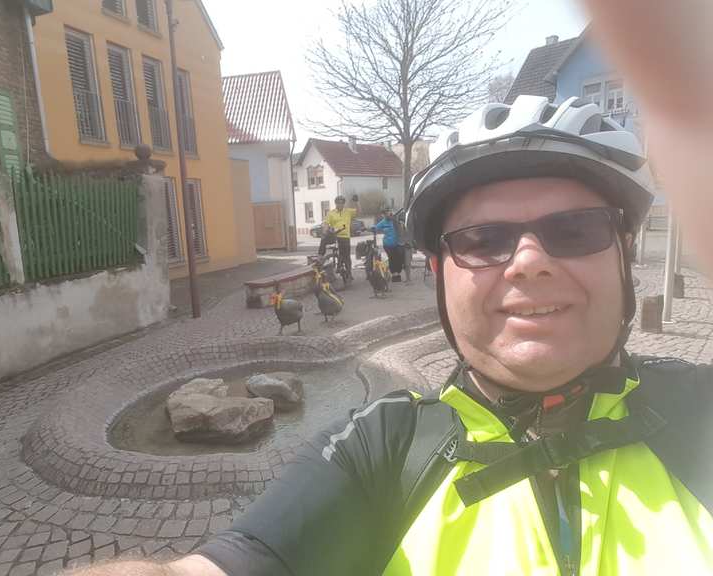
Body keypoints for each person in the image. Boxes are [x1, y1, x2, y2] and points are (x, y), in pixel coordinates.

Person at [67, 2, 713, 574]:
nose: (528, 262)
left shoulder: (701, 412)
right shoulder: (380, 449)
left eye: (573, 230)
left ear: (625, 255)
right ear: (440, 274)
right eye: (483, 239)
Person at [318, 194, 359, 279]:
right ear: (335, 204)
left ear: (344, 204)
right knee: (324, 238)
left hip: (345, 236)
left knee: (346, 255)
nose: (340, 204)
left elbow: (359, 211)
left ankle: (349, 272)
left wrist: (356, 202)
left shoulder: (348, 211)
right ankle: (320, 256)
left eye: (342, 203)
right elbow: (326, 223)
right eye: (338, 203)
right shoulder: (331, 213)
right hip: (335, 235)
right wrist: (325, 230)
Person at [371, 208, 405, 282]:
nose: (387, 214)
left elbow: (401, 226)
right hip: (387, 244)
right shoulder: (383, 222)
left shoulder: (394, 220)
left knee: (399, 258)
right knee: (392, 258)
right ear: (383, 215)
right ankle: (394, 274)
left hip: (397, 243)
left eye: (388, 212)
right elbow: (375, 228)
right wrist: (368, 228)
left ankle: (398, 273)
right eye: (385, 213)